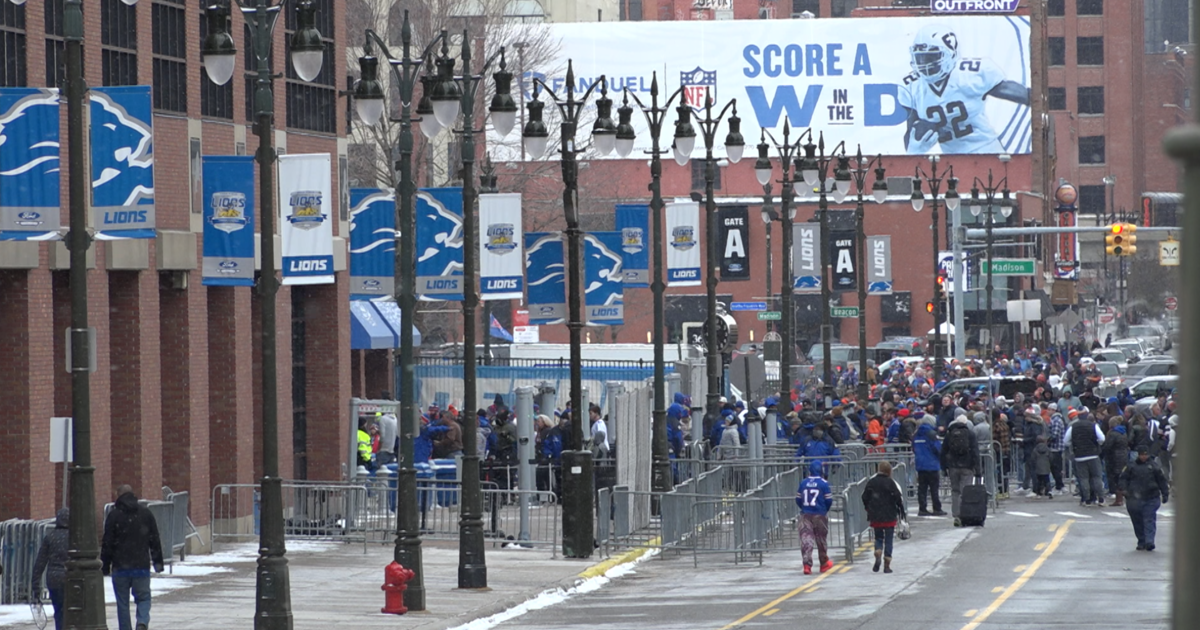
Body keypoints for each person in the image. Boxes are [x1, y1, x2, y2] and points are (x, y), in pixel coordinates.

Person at [101, 485, 164, 630]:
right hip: (141, 565)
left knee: (122, 602)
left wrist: (105, 565)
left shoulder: (114, 515)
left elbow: (107, 542)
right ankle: (142, 622)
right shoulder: (145, 514)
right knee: (143, 598)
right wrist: (157, 563)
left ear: (118, 495)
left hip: (120, 567)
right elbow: (155, 539)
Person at [1118, 445, 1170, 551]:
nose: (1143, 457)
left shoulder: (1154, 467)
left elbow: (1161, 481)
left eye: (1145, 455)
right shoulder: (1131, 466)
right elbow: (1123, 479)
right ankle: (1141, 541)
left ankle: (1149, 541)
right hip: (1134, 498)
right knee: (1137, 521)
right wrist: (1124, 491)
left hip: (1151, 497)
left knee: (1149, 519)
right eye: (1142, 455)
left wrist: (1165, 493)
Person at [862, 461, 906, 574]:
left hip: (876, 514)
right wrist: (901, 511)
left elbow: (864, 497)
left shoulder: (872, 482)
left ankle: (878, 550)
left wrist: (868, 508)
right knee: (889, 539)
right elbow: (898, 498)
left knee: (878, 537)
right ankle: (887, 564)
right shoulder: (891, 483)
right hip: (889, 514)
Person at [940, 411, 981, 527]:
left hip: (953, 466)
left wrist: (943, 467)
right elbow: (975, 452)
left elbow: (943, 452)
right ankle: (965, 514)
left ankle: (956, 515)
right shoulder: (970, 434)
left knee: (955, 491)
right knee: (965, 491)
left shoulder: (950, 434)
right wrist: (978, 469)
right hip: (967, 466)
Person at [31, 508, 69, 630]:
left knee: (59, 611)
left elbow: (40, 562)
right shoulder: (76, 537)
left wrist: (35, 585)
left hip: (54, 579)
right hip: (72, 578)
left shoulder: (50, 537)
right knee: (73, 611)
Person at [796, 461, 834, 575]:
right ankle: (823, 563)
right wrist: (824, 510)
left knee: (806, 539)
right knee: (821, 539)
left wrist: (804, 507)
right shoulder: (824, 483)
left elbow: (798, 499)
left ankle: (807, 565)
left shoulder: (803, 482)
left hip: (805, 514)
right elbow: (829, 500)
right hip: (819, 514)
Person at [1064, 409, 1107, 507]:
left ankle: (1086, 500)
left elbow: (1066, 441)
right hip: (1093, 455)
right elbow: (1102, 439)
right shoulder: (1093, 426)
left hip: (1079, 456)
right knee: (1097, 477)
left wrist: (1075, 445)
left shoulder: (1073, 427)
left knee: (1083, 478)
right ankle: (1100, 499)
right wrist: (1096, 444)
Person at [912, 415, 945, 516]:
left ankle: (922, 508)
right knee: (934, 488)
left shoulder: (916, 434)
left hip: (920, 465)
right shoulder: (931, 434)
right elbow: (937, 448)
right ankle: (937, 508)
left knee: (922, 488)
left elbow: (913, 447)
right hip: (932, 464)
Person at [1101, 417, 1129, 506]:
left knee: (1114, 477)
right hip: (1123, 456)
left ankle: (1119, 498)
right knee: (1120, 476)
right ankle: (1122, 495)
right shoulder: (1123, 432)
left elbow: (1108, 446)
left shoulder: (1112, 434)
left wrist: (1102, 454)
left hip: (1113, 457)